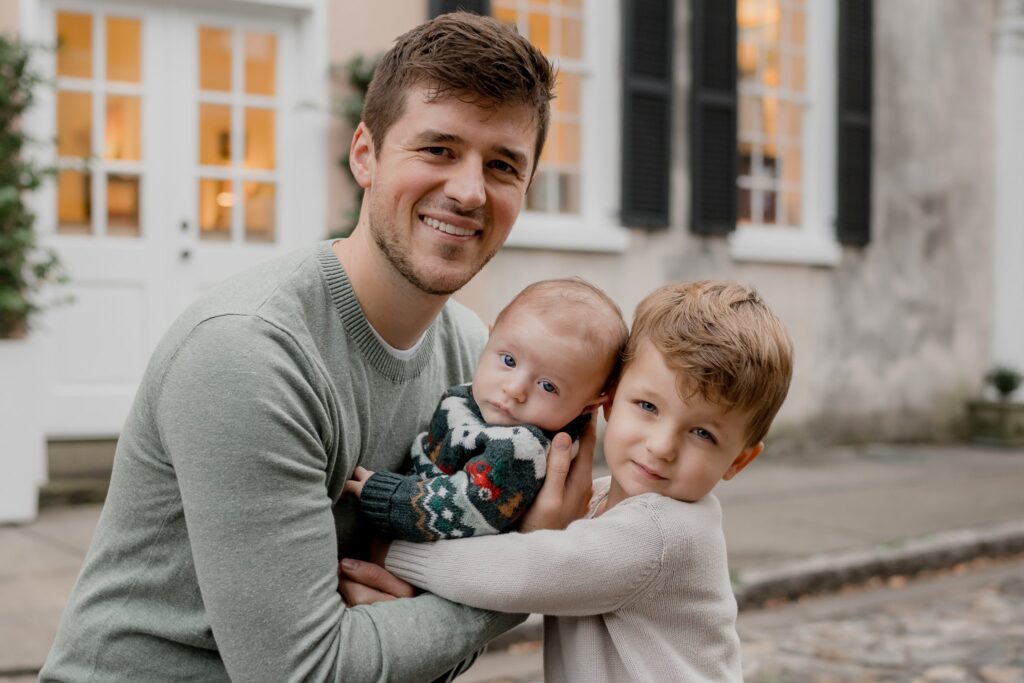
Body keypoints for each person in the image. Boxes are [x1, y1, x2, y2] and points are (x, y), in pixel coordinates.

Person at [41, 13, 591, 682]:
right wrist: (525, 570)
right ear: (365, 153)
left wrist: (422, 620)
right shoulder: (250, 354)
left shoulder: (484, 365)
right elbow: (302, 673)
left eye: (502, 165)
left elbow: (414, 642)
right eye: (438, 149)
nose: (470, 190)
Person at [355, 281, 794, 682]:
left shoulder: (662, 533)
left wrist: (394, 549)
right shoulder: (599, 498)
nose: (661, 446)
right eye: (647, 406)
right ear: (608, 400)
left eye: (702, 433)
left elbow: (519, 575)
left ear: (739, 460)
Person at [345, 278, 628, 541]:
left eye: (548, 386)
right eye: (508, 360)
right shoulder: (480, 398)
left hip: (440, 543)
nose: (515, 389)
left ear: (588, 407)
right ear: (488, 340)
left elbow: (467, 507)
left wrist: (386, 495)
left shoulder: (521, 449)